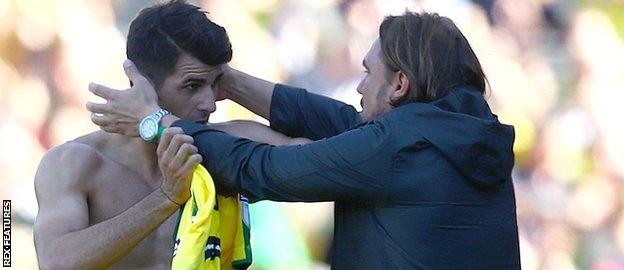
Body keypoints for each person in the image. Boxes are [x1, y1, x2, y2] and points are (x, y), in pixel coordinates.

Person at [88, 11, 521, 269]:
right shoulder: (455, 133)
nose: (358, 86)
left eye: (369, 73)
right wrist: (229, 81)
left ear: (401, 85)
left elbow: (260, 170)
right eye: (193, 85)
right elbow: (344, 123)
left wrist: (153, 122)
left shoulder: (399, 148)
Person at [33, 1, 306, 269]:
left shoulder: (229, 143)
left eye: (215, 84)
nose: (210, 103)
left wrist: (233, 82)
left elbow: (332, 159)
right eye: (192, 86)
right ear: (143, 84)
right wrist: (166, 198)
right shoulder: (74, 162)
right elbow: (56, 262)